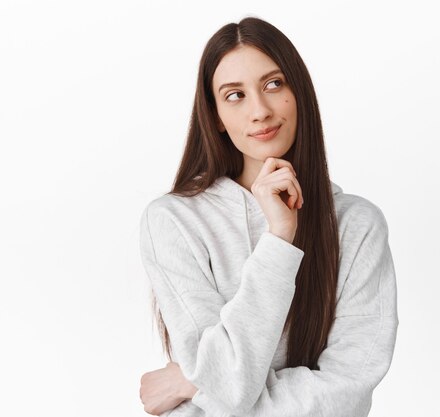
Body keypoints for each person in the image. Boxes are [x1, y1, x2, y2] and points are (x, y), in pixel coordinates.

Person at [138, 16, 399, 417]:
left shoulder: (356, 225)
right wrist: (279, 237)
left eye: (274, 84)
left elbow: (345, 394)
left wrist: (191, 381)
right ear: (216, 118)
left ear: (300, 92)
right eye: (235, 95)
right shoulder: (174, 221)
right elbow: (228, 383)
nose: (259, 110)